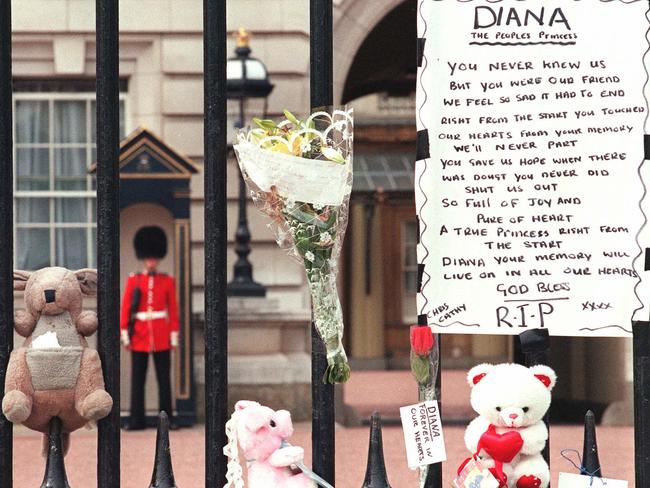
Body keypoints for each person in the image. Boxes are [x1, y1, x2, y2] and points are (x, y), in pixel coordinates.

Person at [120, 226, 180, 430]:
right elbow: (126, 308)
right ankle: (137, 420)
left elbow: (172, 308)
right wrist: (125, 334)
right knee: (138, 380)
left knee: (164, 380)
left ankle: (167, 420)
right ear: (144, 258)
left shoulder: (167, 281)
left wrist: (173, 335)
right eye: (149, 258)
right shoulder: (134, 279)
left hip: (161, 336)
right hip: (139, 335)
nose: (152, 261)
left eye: (154, 258)